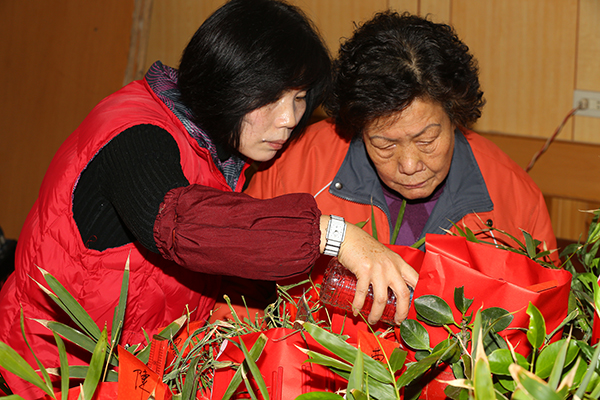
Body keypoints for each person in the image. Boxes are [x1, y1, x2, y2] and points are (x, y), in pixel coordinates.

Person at [0, 1, 418, 398]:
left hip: (133, 377)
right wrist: (336, 236)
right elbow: (183, 224)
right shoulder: (136, 133)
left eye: (299, 99)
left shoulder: (218, 150)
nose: (290, 118)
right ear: (228, 78)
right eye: (273, 97)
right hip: (46, 380)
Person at [245, 11, 557, 317]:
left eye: (426, 140)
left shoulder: (514, 197)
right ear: (358, 128)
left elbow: (543, 320)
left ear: (456, 119)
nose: (408, 165)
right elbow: (238, 291)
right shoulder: (299, 165)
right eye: (384, 143)